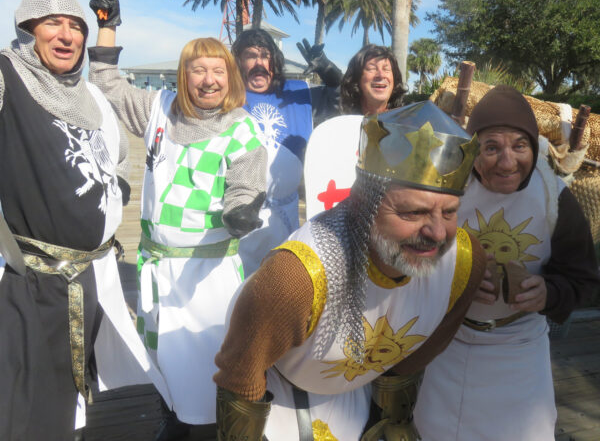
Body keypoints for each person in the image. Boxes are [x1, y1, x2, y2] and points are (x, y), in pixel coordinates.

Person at [213, 101, 488, 440]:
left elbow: (415, 355)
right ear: (361, 204)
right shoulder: (295, 278)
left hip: (356, 391)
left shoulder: (464, 262)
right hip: (279, 391)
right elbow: (241, 376)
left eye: (448, 212)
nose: (436, 232)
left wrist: (391, 420)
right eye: (413, 213)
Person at [88, 0, 267, 439]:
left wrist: (241, 210)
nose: (208, 80)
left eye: (217, 71)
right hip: (156, 271)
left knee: (210, 376)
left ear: (231, 77)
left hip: (207, 278)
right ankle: (174, 421)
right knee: (165, 365)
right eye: (197, 70)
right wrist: (106, 29)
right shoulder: (158, 109)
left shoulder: (242, 128)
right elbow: (107, 85)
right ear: (182, 77)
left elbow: (246, 183)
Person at [0, 0, 170, 441]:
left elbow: (117, 162)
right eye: (53, 22)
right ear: (27, 29)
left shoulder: (91, 97)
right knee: (26, 398)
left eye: (76, 25)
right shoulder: (8, 76)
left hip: (93, 275)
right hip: (33, 281)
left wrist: (108, 198)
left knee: (76, 392)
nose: (67, 34)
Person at [414, 86, 600, 441]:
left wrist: (550, 292)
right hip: (450, 345)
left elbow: (583, 278)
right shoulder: (448, 188)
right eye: (492, 147)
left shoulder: (555, 198)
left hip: (521, 350)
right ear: (473, 150)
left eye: (519, 146)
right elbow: (411, 258)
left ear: (534, 148)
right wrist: (455, 280)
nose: (507, 162)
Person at [231, 29, 341, 274]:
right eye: (250, 55)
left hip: (285, 219)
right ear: (238, 61)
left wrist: (328, 71)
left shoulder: (299, 95)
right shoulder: (226, 96)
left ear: (275, 62)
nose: (259, 62)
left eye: (265, 55)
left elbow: (341, 98)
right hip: (238, 217)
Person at [339, 43, 406, 115]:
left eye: (386, 69)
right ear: (356, 79)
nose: (381, 75)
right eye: (372, 68)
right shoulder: (342, 123)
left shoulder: (408, 122)